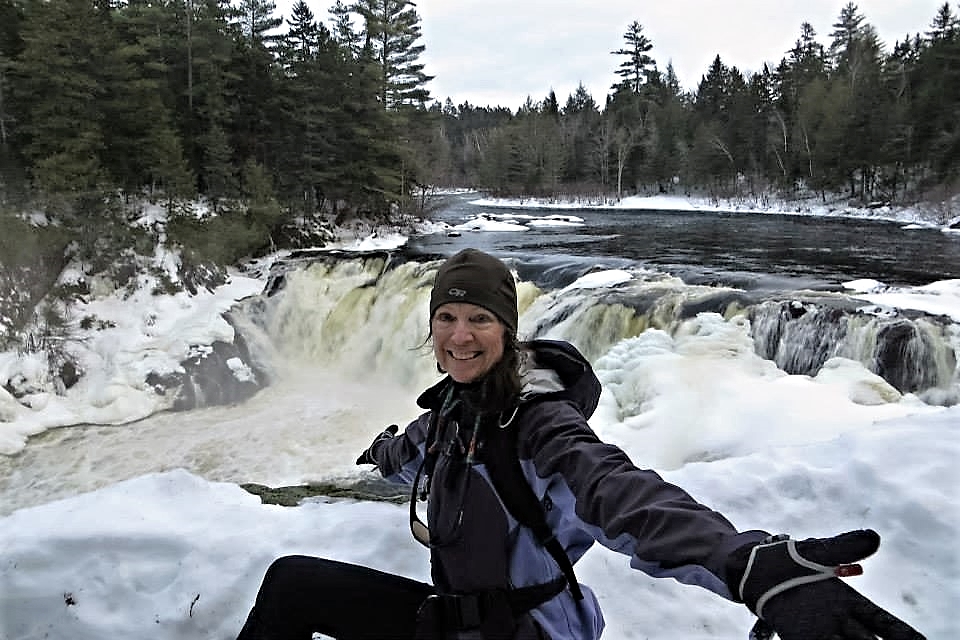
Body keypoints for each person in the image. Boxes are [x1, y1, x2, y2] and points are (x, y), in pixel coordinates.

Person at [235, 248, 925, 640]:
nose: (458, 335)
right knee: (291, 583)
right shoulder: (454, 407)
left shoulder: (538, 420)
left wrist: (744, 562)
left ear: (507, 330)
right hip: (453, 623)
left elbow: (616, 492)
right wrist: (385, 452)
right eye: (446, 316)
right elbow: (418, 448)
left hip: (525, 637)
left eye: (479, 318)